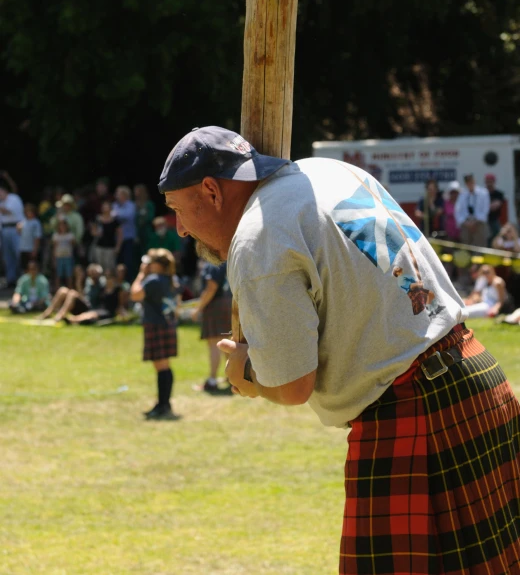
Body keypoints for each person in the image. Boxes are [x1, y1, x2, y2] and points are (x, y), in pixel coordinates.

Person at [157, 126, 520, 575]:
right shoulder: (325, 172)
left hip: (413, 410)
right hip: (479, 381)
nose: (181, 229)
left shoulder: (258, 236)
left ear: (211, 190)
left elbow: (291, 385)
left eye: (178, 210)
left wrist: (245, 373)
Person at [130, 248, 180, 420]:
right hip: (167, 324)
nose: (148, 265)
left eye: (150, 263)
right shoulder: (171, 280)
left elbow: (135, 294)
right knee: (164, 365)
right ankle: (164, 403)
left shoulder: (152, 280)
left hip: (156, 325)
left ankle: (163, 405)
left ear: (158, 265)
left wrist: (140, 274)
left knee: (161, 366)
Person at [192, 262, 233, 393]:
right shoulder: (226, 261)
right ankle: (231, 378)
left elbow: (211, 287)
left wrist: (198, 309)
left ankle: (212, 381)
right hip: (228, 304)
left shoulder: (212, 263)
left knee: (214, 343)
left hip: (215, 305)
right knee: (227, 343)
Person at [40, 263, 105, 321]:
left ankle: (60, 315)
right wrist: (78, 283)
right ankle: (47, 313)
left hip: (90, 309)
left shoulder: (102, 282)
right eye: (91, 273)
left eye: (94, 273)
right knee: (63, 290)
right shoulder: (88, 281)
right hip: (84, 304)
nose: (92, 275)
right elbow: (83, 296)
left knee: (72, 293)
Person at [454, 172, 490, 247]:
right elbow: (458, 210)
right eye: (468, 182)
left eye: (471, 181)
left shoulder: (483, 193)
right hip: (466, 224)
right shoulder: (462, 194)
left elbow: (485, 210)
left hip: (479, 223)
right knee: (466, 247)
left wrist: (475, 222)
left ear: (474, 181)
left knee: (479, 247)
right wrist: (466, 223)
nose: (470, 184)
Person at [0, 181, 24, 287]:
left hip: (15, 229)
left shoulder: (13, 198)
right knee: (7, 256)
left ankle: (22, 279)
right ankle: (11, 280)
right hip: (4, 230)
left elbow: (8, 211)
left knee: (18, 254)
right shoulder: (1, 202)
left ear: (4, 191)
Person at [112, 186, 137, 278]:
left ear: (124, 195)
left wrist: (116, 214)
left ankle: (130, 281)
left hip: (128, 238)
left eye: (118, 194)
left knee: (128, 262)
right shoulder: (115, 205)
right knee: (119, 261)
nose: (116, 196)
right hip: (117, 239)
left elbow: (128, 216)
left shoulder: (131, 205)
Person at [90, 201, 123, 272]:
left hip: (110, 247)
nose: (105, 209)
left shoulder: (115, 220)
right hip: (99, 247)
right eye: (104, 207)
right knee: (99, 267)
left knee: (109, 268)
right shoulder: (97, 219)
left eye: (107, 207)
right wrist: (97, 233)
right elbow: (92, 232)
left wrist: (118, 247)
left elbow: (120, 235)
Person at [17, 203, 43, 270]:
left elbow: (37, 237)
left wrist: (35, 250)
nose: (28, 213)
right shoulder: (23, 222)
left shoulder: (36, 223)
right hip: (23, 249)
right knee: (24, 268)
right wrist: (17, 229)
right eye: (27, 211)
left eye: (30, 211)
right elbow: (19, 233)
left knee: (33, 268)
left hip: (31, 249)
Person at [52, 218, 76, 287]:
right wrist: (53, 259)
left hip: (68, 257)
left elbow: (74, 245)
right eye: (61, 225)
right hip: (58, 257)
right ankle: (57, 290)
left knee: (69, 275)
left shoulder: (70, 235)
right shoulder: (56, 235)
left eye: (64, 225)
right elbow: (54, 247)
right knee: (58, 275)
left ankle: (70, 290)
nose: (62, 227)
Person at [134, 184, 155, 252]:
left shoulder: (149, 204)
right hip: (137, 232)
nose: (135, 193)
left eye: (137, 191)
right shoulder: (135, 204)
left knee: (147, 250)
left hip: (146, 231)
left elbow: (150, 217)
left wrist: (142, 219)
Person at [485, 173, 505, 244]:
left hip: (494, 220)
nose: (489, 184)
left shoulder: (499, 194)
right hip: (484, 221)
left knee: (497, 238)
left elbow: (494, 207)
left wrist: (485, 206)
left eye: (490, 181)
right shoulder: (482, 194)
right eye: (487, 182)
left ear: (494, 182)